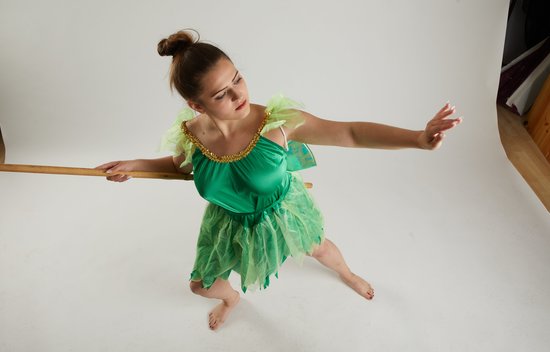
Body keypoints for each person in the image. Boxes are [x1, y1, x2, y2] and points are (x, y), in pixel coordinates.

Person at [95, 29, 462, 331]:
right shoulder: (191, 135)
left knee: (318, 248)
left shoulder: (278, 123)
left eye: (237, 77)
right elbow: (180, 167)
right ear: (197, 105)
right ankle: (232, 298)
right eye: (221, 94)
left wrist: (417, 138)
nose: (239, 93)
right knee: (198, 285)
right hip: (230, 222)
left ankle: (348, 274)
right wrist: (135, 164)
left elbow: (350, 132)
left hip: (280, 210)